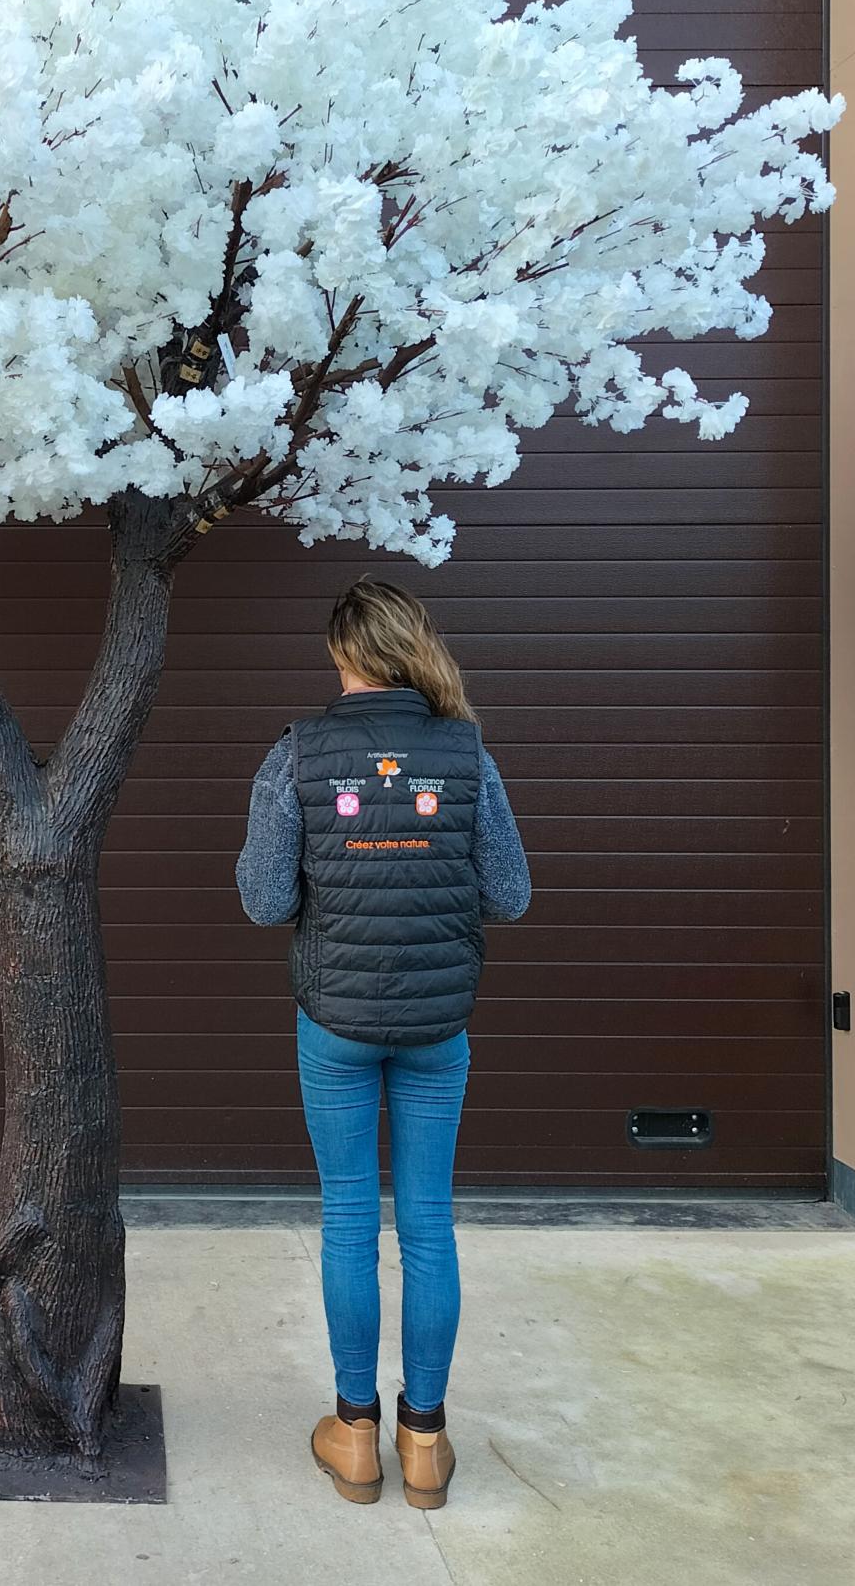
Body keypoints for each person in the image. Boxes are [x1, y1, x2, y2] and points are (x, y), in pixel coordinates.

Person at [236, 576, 530, 1511]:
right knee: (429, 1229)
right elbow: (510, 894)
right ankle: (425, 1443)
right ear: (415, 649)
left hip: (335, 1024)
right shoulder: (468, 755)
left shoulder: (296, 755)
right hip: (439, 1028)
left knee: (350, 1223)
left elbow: (263, 900)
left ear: (341, 655)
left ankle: (353, 1434)